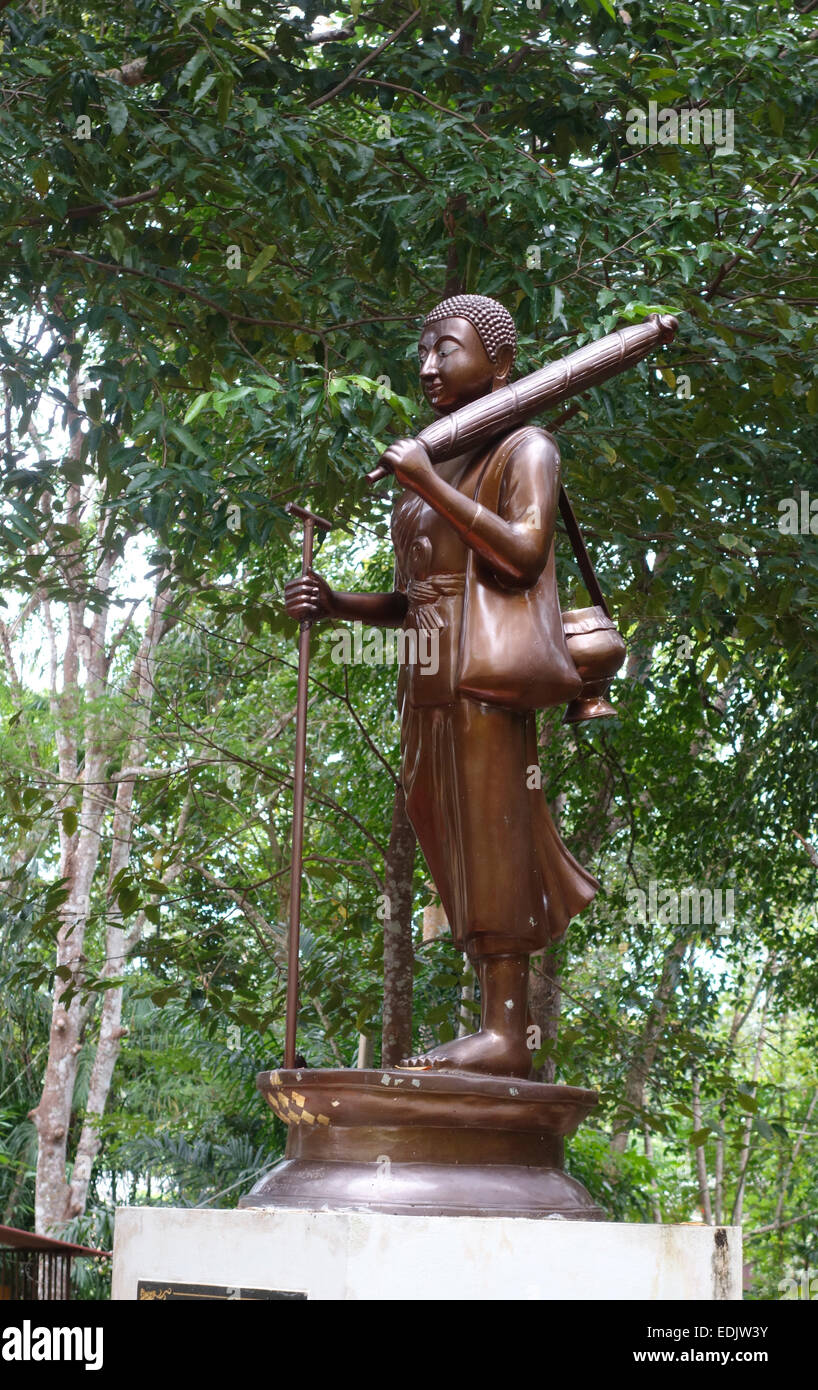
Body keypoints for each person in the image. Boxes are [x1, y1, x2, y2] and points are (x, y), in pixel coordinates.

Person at [285, 294, 598, 1077]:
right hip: (426, 672)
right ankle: (490, 1021)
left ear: (498, 362)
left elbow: (522, 557)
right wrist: (337, 604)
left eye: (446, 349)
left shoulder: (525, 448)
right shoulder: (434, 460)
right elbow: (413, 596)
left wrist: (426, 483)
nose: (428, 366)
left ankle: (505, 1030)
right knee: (445, 831)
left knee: (494, 833)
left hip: (485, 672)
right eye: (422, 351)